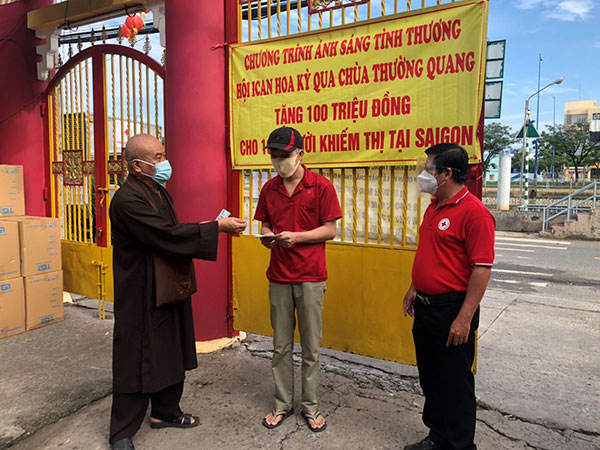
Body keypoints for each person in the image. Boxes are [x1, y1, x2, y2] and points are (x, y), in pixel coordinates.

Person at [108, 134, 246, 450]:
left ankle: (165, 412)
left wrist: (210, 225)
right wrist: (216, 229)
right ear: (136, 166)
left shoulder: (157, 191)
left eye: (163, 154)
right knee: (135, 356)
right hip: (140, 288)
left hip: (167, 282)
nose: (164, 162)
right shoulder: (127, 200)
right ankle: (121, 431)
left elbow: (170, 234)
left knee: (170, 347)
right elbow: (165, 235)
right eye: (157, 157)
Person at [403, 143, 495, 450]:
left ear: (448, 174)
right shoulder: (434, 206)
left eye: (429, 169)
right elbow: (433, 254)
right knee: (432, 378)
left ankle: (459, 445)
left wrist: (464, 318)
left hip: (452, 310)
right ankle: (437, 436)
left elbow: (481, 269)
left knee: (456, 384)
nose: (424, 174)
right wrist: (415, 287)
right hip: (427, 308)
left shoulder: (475, 214)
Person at [254, 126, 342, 432]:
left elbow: (330, 229)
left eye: (285, 155)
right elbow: (265, 224)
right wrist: (267, 236)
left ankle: (310, 406)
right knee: (280, 345)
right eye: (274, 156)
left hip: (310, 277)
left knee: (311, 347)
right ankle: (282, 403)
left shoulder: (321, 187)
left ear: (300, 155)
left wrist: (299, 237)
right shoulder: (269, 189)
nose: (279, 162)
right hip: (278, 275)